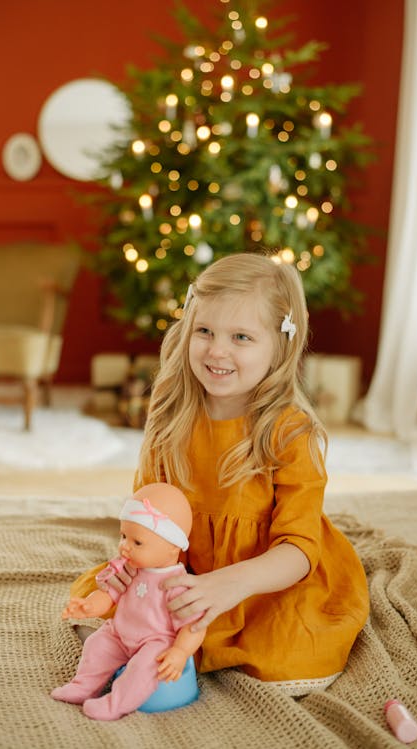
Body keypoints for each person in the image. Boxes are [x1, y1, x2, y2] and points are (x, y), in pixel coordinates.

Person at [70, 252, 369, 695]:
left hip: (264, 580)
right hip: (181, 568)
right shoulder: (171, 418)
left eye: (241, 337)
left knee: (292, 651)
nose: (217, 350)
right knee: (100, 607)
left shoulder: (290, 433)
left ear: (279, 346)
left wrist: (229, 584)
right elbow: (150, 516)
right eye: (205, 331)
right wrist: (136, 564)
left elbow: (299, 548)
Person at [51, 483, 206, 720]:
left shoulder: (177, 585)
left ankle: (115, 704)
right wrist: (89, 606)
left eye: (137, 542)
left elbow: (194, 625)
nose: (124, 546)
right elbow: (109, 595)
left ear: (172, 546)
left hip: (156, 641)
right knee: (96, 644)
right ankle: (83, 686)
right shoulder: (128, 568)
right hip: (120, 633)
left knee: (144, 668)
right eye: (123, 536)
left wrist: (180, 651)